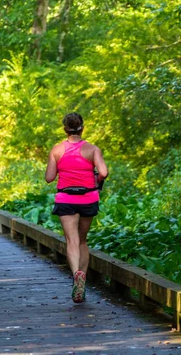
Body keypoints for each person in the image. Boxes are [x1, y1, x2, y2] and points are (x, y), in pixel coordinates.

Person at [45, 112, 108, 303]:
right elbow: (104, 172)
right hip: (88, 197)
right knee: (82, 240)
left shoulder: (56, 150)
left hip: (66, 198)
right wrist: (96, 180)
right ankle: (84, 280)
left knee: (71, 240)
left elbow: (49, 178)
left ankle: (76, 275)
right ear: (82, 127)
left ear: (65, 128)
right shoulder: (92, 149)